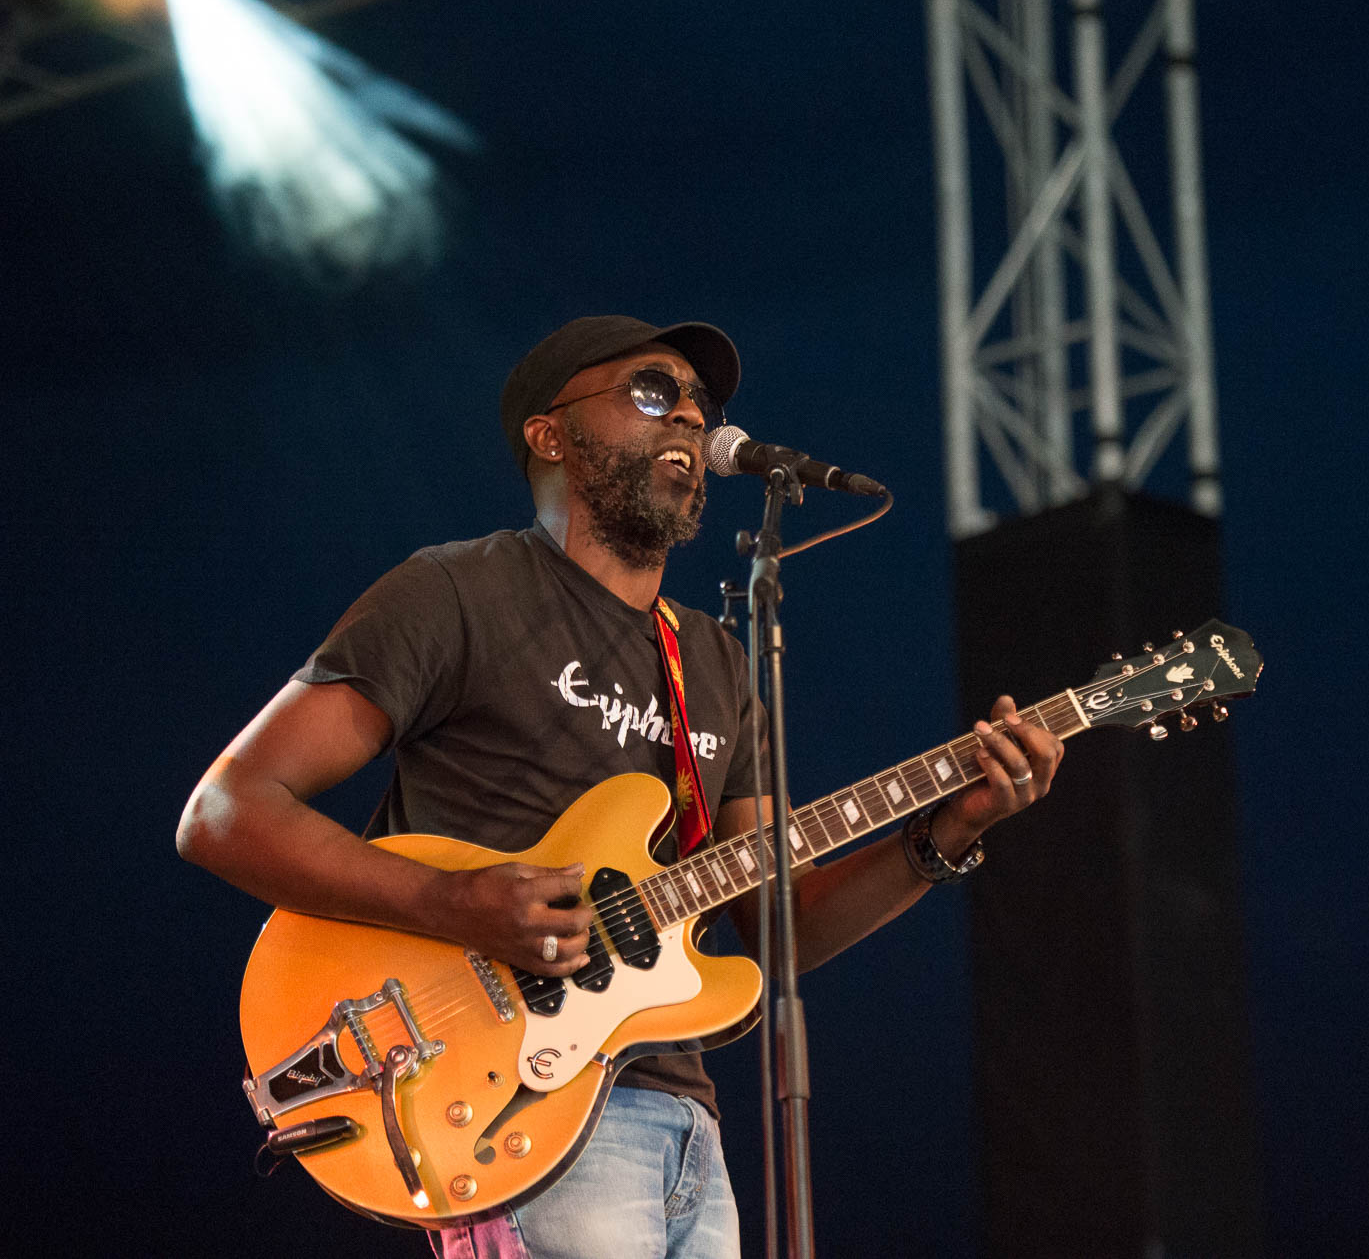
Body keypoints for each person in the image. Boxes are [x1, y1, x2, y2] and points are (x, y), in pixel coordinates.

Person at [175, 315, 1066, 1259]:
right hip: (507, 1104)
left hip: (683, 1122)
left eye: (698, 403)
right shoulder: (455, 594)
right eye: (652, 391)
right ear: (550, 434)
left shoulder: (716, 661)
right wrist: (455, 902)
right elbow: (225, 812)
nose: (689, 416)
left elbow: (784, 929)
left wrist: (945, 834)